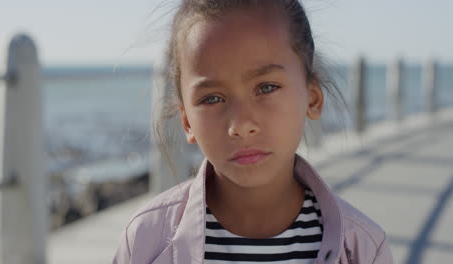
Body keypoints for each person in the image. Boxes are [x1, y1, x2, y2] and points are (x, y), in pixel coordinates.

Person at [113, 0, 393, 263]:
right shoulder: (147, 241)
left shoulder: (361, 248)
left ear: (312, 98)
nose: (241, 125)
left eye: (266, 87)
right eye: (212, 98)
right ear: (187, 122)